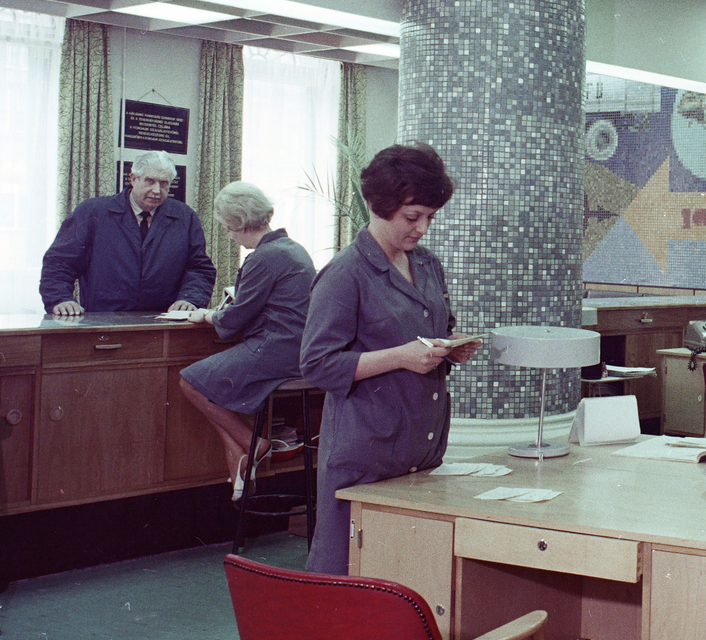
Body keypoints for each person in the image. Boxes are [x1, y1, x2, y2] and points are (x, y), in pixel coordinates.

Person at [300, 144, 481, 575]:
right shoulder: (345, 274)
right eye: (412, 217)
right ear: (381, 206)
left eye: (430, 217)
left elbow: (431, 327)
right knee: (346, 578)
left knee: (410, 575)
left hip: (419, 447)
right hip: (367, 452)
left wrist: (450, 346)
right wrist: (401, 357)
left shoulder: (428, 265)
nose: (422, 228)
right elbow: (317, 363)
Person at [176, 183, 313, 501]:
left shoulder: (265, 257)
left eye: (227, 227)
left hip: (277, 347)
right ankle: (241, 457)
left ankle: (257, 443)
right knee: (216, 389)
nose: (228, 233)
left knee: (190, 383)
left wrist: (206, 316)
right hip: (294, 348)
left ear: (238, 223)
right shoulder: (291, 248)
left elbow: (235, 318)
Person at [39, 150, 216, 315]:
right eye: (150, 181)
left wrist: (190, 299)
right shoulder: (93, 212)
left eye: (164, 183)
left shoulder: (185, 217)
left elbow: (199, 268)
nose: (156, 190)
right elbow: (59, 263)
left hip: (162, 321)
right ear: (133, 179)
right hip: (104, 319)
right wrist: (60, 299)